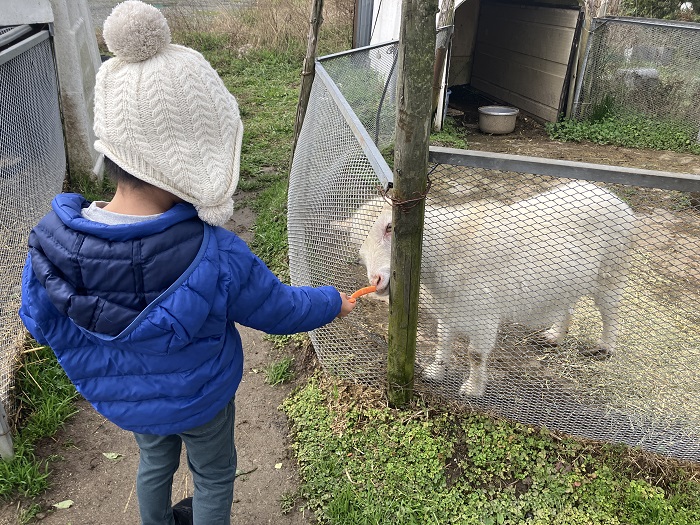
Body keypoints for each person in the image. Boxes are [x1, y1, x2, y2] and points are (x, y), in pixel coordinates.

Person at [18, 2, 356, 524]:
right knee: (214, 474)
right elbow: (281, 309)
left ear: (114, 153)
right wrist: (333, 301)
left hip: (129, 402)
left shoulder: (53, 243)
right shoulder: (215, 253)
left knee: (154, 460)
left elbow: (40, 323)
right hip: (202, 397)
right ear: (187, 163)